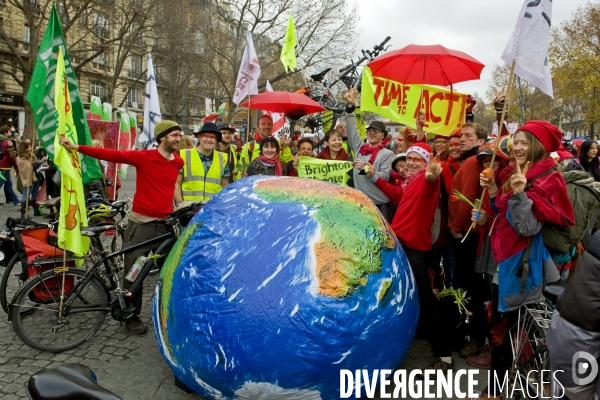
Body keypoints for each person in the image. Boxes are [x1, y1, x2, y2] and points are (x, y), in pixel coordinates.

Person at [473, 120, 575, 400]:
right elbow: (501, 214)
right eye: (515, 141)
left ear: (538, 146)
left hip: (520, 265)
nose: (516, 147)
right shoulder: (513, 171)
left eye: (524, 142)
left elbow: (527, 228)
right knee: (506, 329)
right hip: (501, 261)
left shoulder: (547, 179)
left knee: (505, 331)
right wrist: (495, 190)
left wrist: (519, 194)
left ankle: (495, 392)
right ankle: (505, 388)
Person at [60, 120, 184, 335]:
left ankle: (168, 312)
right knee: (133, 273)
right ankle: (130, 316)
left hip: (165, 227)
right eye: (174, 134)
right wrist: (76, 147)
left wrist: (180, 204)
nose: (179, 138)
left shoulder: (178, 162)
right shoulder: (144, 157)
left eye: (179, 134)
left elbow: (173, 185)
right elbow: (110, 154)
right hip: (141, 226)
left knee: (169, 272)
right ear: (162, 137)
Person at [367, 142, 456, 373]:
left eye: (418, 159)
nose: (412, 162)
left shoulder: (428, 180)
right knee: (399, 294)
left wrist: (430, 176)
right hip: (400, 245)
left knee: (426, 300)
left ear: (426, 162)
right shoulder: (410, 181)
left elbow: (429, 184)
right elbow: (397, 194)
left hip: (413, 250)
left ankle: (445, 356)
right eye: (410, 158)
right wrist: (375, 177)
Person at [448, 121, 490, 359]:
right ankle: (473, 332)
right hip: (466, 233)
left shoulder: (474, 162)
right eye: (461, 135)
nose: (462, 139)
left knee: (473, 289)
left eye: (468, 136)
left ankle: (477, 338)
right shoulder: (468, 161)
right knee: (469, 287)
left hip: (467, 235)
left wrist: (455, 228)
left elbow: (468, 198)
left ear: (481, 141)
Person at [344, 87, 395, 221]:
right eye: (370, 130)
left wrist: (366, 169)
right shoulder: (359, 147)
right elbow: (351, 129)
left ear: (383, 135)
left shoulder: (388, 154)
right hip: (360, 202)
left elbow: (384, 176)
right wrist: (350, 105)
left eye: (376, 131)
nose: (371, 133)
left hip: (378, 205)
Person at [174, 122, 230, 203]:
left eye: (213, 137)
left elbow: (225, 186)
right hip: (188, 210)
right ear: (199, 137)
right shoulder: (183, 155)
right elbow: (176, 184)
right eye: (206, 136)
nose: (209, 139)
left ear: (217, 140)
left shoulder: (223, 158)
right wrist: (180, 205)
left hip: (212, 209)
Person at [16, 141, 44, 217]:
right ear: (24, 149)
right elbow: (31, 167)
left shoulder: (31, 155)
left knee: (35, 194)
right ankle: (24, 213)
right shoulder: (21, 158)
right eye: (28, 147)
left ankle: (36, 211)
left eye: (30, 147)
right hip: (29, 178)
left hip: (36, 177)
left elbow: (34, 165)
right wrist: (41, 162)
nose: (30, 148)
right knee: (26, 195)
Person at [0, 125, 20, 206]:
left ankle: (12, 199)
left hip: (2, 164)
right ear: (5, 133)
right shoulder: (8, 142)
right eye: (9, 132)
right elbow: (11, 156)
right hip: (5, 165)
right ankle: (15, 200)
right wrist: (16, 166)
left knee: (8, 184)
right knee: (2, 183)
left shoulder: (1, 141)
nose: (10, 133)